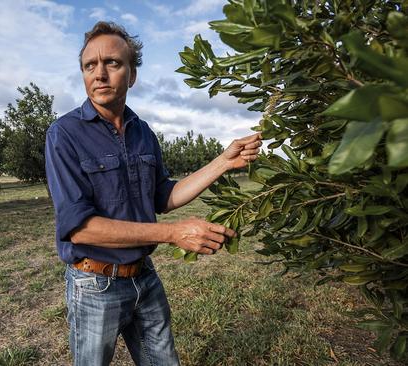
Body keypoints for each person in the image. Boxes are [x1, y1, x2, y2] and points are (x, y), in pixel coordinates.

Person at [44, 21, 262, 366]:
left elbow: (164, 197)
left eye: (112, 63)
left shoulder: (143, 132)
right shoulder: (64, 134)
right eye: (90, 66)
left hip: (144, 276)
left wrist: (223, 161)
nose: (99, 74)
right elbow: (80, 227)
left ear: (131, 75)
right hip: (94, 284)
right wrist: (174, 233)